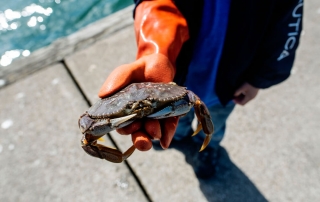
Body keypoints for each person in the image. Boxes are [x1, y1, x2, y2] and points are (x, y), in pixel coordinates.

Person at [98, 0, 303, 178]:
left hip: (231, 81)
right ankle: (179, 136)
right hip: (175, 73)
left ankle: (209, 148)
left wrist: (259, 78)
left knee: (214, 120)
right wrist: (156, 46)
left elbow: (287, 23)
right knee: (177, 119)